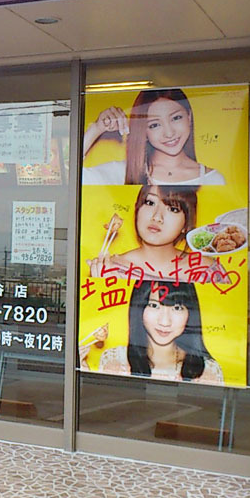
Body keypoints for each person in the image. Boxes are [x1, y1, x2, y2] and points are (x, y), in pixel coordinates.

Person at [82, 87, 226, 185]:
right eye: (154, 125)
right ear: (144, 131)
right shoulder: (122, 173)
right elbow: (74, 179)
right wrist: (97, 128)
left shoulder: (212, 179)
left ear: (189, 116)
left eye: (176, 118)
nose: (169, 133)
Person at [90, 282, 223, 383]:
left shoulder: (208, 371)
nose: (165, 322)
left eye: (177, 308)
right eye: (154, 305)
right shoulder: (115, 360)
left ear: (191, 313)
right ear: (139, 308)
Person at [86, 184, 222, 282]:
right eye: (150, 203)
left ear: (186, 225)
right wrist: (100, 285)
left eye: (173, 209)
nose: (157, 217)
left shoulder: (208, 271)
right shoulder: (110, 269)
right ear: (137, 211)